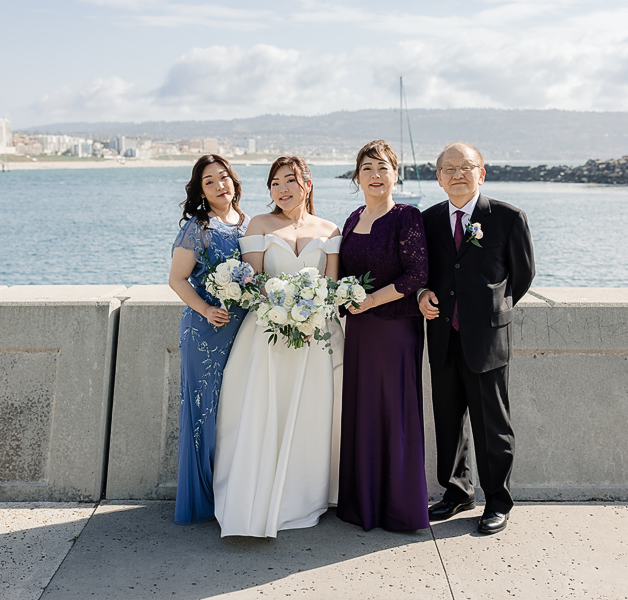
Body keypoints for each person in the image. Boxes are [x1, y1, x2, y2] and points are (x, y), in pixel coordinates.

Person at [213, 156, 344, 538]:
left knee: (310, 413)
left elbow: (332, 288)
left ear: (307, 183)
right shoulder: (259, 224)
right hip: (267, 334)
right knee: (262, 410)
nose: (282, 189)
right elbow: (252, 282)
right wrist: (282, 309)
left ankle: (304, 498)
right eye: (274, 183)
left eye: (290, 180)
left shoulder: (329, 228)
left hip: (315, 335)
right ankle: (255, 496)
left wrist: (310, 313)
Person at [418, 141, 535, 534]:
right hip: (442, 337)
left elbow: (522, 276)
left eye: (465, 167)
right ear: (438, 178)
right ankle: (456, 493)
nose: (457, 175)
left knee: (492, 425)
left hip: (486, 339)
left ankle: (498, 501)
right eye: (448, 169)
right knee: (448, 420)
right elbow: (423, 274)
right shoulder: (429, 220)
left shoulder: (507, 217)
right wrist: (421, 295)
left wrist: (491, 311)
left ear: (480, 173)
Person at [337, 140, 429, 531]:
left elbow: (417, 275)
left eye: (383, 168)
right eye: (367, 168)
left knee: (394, 413)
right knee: (362, 412)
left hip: (394, 329)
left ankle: (398, 508)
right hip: (359, 330)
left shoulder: (407, 217)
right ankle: (363, 503)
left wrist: (371, 300)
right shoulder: (352, 217)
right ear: (357, 176)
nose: (375, 175)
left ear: (396, 174)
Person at [168, 154, 250, 526]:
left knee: (239, 410)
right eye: (209, 182)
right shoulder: (198, 227)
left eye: (224, 177)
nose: (220, 185)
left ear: (233, 180)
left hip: (245, 329)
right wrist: (205, 310)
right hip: (206, 330)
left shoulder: (249, 223)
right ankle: (204, 497)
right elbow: (177, 279)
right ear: (200, 191)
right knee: (206, 411)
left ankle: (236, 490)